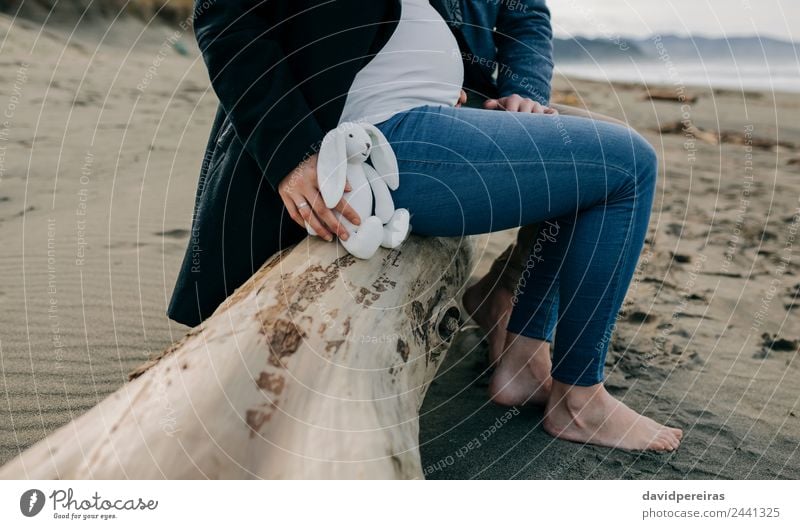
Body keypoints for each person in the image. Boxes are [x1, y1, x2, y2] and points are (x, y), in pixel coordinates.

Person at [169, 0, 682, 452]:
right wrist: (291, 153)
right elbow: (223, 13)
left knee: (601, 148)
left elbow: (520, 8)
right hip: (372, 131)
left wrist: (510, 90)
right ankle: (579, 400)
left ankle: (524, 355)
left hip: (440, 109)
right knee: (627, 166)